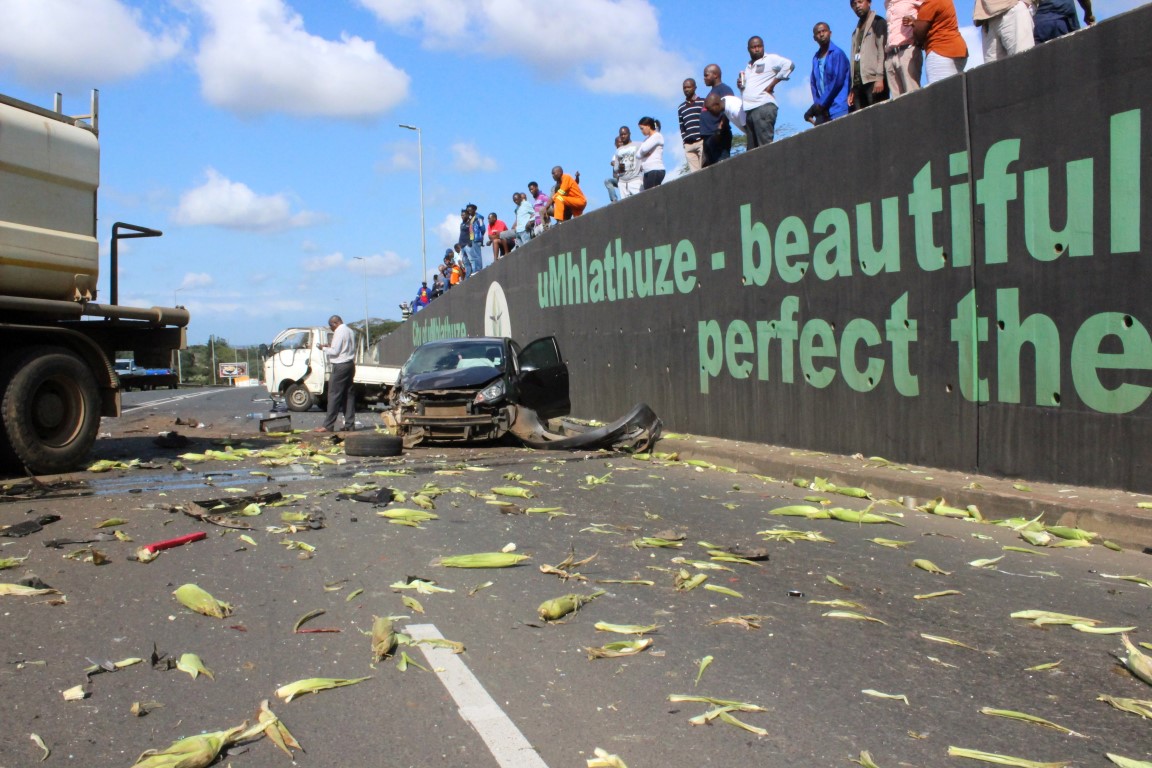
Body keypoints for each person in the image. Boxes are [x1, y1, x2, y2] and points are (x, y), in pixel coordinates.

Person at [738, 36, 793, 150]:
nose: (757, 49)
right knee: (752, 151)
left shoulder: (770, 59)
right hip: (749, 110)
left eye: (759, 46)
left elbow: (789, 65)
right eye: (754, 47)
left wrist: (772, 85)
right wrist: (741, 86)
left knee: (765, 147)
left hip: (763, 106)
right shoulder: (748, 67)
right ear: (748, 49)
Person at [908, 0, 969, 84]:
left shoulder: (931, 2)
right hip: (957, 49)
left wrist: (916, 25)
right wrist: (916, 23)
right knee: (954, 89)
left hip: (940, 51)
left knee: (940, 90)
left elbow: (919, 32)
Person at [314, 315, 355, 433]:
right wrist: (329, 346)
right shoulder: (350, 330)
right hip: (350, 364)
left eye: (331, 326)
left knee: (334, 395)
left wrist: (323, 348)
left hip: (340, 365)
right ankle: (350, 425)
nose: (331, 329)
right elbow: (344, 348)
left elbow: (335, 351)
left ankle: (328, 425)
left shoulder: (339, 331)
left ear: (335, 323)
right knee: (348, 395)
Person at [807, 22, 851, 125]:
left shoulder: (837, 53)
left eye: (824, 31)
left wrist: (822, 103)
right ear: (814, 38)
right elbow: (814, 84)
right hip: (823, 112)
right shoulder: (816, 58)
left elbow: (837, 81)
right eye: (818, 33)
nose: (821, 34)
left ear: (830, 33)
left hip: (838, 108)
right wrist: (817, 106)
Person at [848, 0, 889, 111]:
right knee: (862, 120)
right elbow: (854, 59)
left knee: (878, 115)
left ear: (869, 3)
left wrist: (879, 78)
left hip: (873, 80)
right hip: (858, 84)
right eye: (854, 4)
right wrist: (852, 87)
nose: (857, 6)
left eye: (860, 2)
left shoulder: (878, 22)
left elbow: (882, 51)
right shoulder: (855, 32)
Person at [885, 0, 923, 97]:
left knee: (913, 95)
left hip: (907, 50)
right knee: (897, 100)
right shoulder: (887, 3)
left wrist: (915, 22)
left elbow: (928, 14)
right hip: (891, 54)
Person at [699, 64, 734, 168]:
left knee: (721, 167)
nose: (704, 78)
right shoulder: (711, 92)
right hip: (708, 136)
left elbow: (728, 110)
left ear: (715, 75)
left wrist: (720, 128)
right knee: (711, 170)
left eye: (706, 75)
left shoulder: (724, 89)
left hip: (718, 135)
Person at [677, 78, 705, 173]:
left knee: (704, 168)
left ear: (695, 87)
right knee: (695, 174)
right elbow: (682, 125)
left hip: (701, 140)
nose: (686, 90)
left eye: (688, 87)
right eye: (684, 88)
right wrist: (684, 140)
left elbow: (706, 120)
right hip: (688, 144)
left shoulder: (703, 102)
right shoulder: (681, 107)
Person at [613, 127, 643, 199]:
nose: (623, 136)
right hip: (622, 182)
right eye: (621, 135)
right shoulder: (618, 150)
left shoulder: (638, 145)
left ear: (629, 134)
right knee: (626, 204)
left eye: (625, 134)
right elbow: (615, 168)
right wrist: (619, 168)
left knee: (641, 201)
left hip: (635, 179)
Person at [636, 117, 665, 189]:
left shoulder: (657, 136)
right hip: (647, 171)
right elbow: (638, 155)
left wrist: (643, 153)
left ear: (648, 126)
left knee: (653, 193)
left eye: (642, 128)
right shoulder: (646, 140)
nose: (641, 131)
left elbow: (644, 149)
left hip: (655, 169)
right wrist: (644, 154)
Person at [464, 203, 485, 275]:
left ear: (474, 210)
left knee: (477, 255)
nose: (469, 212)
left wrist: (481, 236)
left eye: (470, 210)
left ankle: (479, 269)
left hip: (477, 238)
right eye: (468, 211)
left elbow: (482, 228)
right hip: (471, 239)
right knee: (473, 256)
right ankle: (475, 270)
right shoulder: (470, 219)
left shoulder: (478, 217)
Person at [604, 136, 624, 203]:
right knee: (607, 181)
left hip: (629, 178)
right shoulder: (616, 155)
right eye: (619, 142)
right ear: (616, 144)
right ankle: (614, 199)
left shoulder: (626, 152)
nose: (621, 144)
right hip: (619, 179)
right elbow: (613, 163)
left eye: (622, 142)